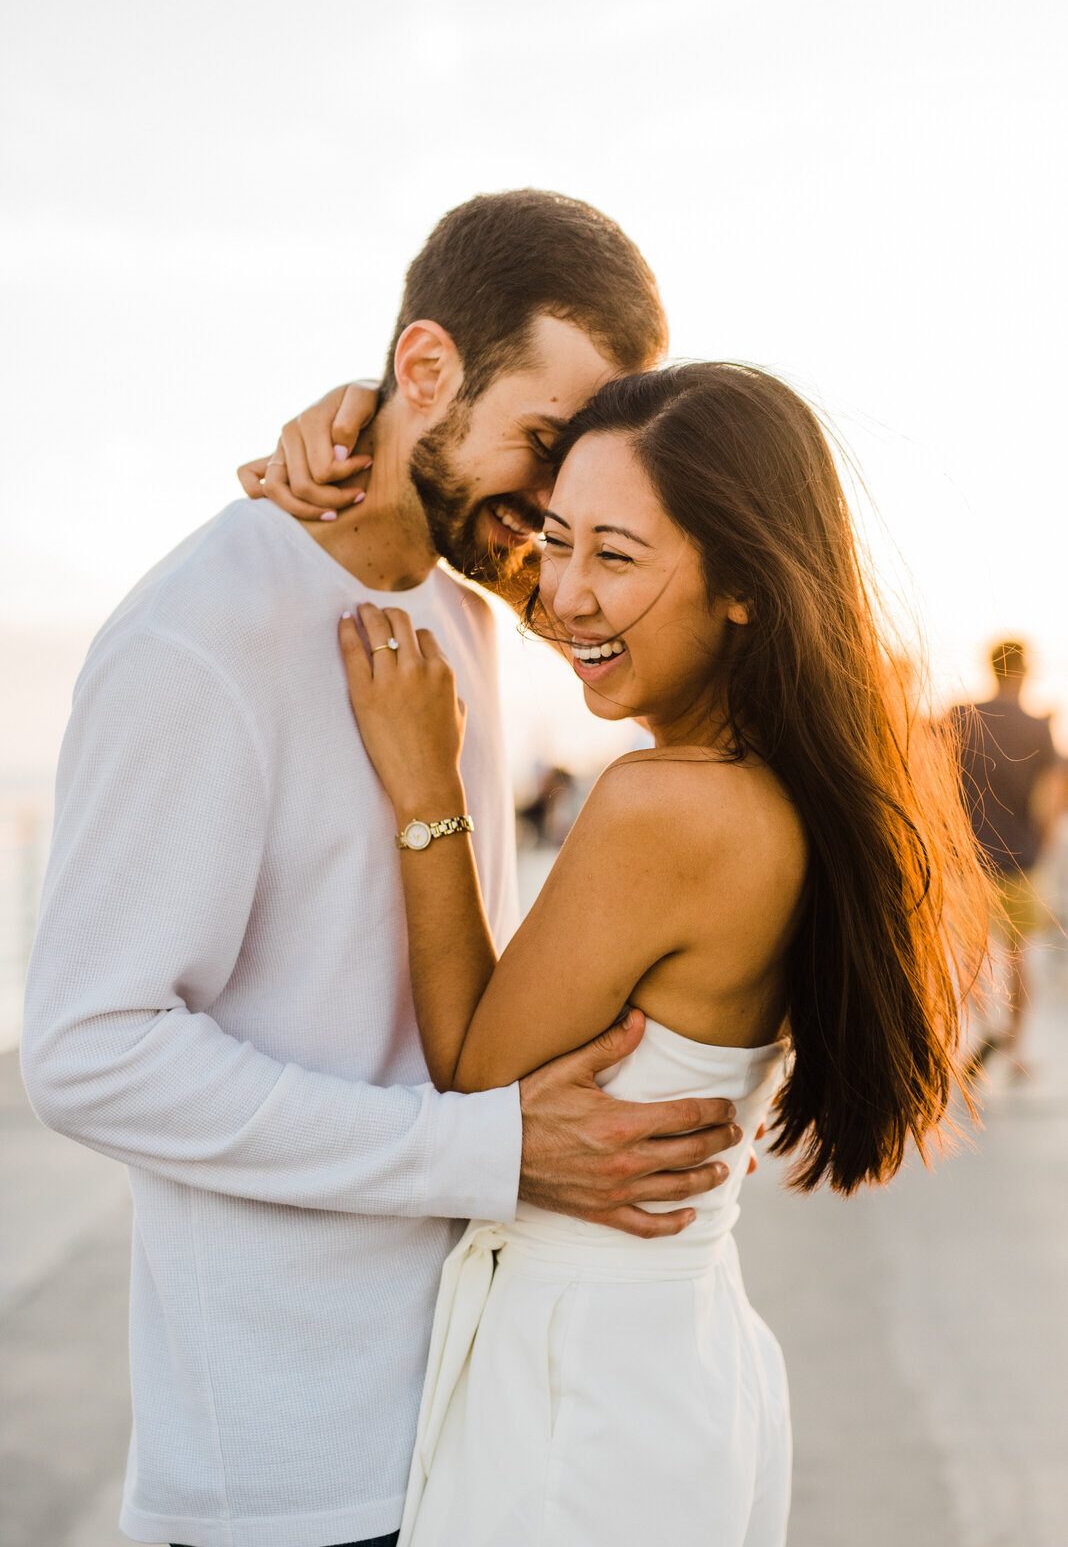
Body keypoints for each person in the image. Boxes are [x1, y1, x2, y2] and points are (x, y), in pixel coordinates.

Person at [20, 193, 748, 1547]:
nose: (554, 503)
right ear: (424, 370)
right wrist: (487, 1148)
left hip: (466, 1417)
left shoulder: (467, 609)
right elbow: (86, 1050)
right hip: (287, 1472)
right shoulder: (197, 640)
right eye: (544, 440)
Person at [309, 362, 989, 1547]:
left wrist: (428, 791)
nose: (566, 592)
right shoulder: (777, 784)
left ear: (744, 586)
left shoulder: (663, 806)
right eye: (554, 541)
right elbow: (603, 600)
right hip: (671, 1359)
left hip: (584, 1387)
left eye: (614, 558)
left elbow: (472, 1072)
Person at [949, 639, 1061, 1068]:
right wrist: (1042, 850)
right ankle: (1015, 1052)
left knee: (971, 957)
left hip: (969, 860)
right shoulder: (1038, 726)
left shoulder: (961, 716)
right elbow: (1048, 798)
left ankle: (985, 1028)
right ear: (1023, 671)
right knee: (1018, 957)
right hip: (1022, 861)